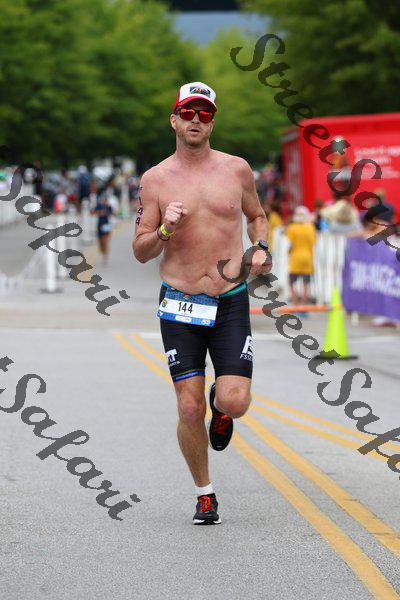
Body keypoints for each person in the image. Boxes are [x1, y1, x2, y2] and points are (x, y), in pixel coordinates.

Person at [133, 81, 271, 525]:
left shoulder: (236, 169)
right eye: (188, 113)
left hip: (229, 300)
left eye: (205, 114)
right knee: (189, 408)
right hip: (180, 302)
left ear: (212, 122)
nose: (196, 120)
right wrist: (166, 229)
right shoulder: (155, 179)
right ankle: (205, 493)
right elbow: (141, 250)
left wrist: (260, 247)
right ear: (174, 119)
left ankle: (222, 407)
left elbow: (257, 216)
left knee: (235, 401)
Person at [285, 206, 317, 307]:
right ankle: (304, 304)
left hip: (295, 257)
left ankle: (295, 304)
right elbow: (313, 242)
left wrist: (288, 251)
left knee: (291, 282)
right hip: (307, 257)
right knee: (305, 283)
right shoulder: (310, 227)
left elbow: (290, 243)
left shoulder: (292, 227)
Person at [93, 193, 114, 265]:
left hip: (106, 225)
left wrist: (106, 212)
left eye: (106, 199)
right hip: (99, 225)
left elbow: (112, 213)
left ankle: (105, 257)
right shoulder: (99, 206)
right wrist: (99, 212)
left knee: (105, 241)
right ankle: (103, 252)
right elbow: (93, 212)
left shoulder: (108, 206)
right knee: (100, 242)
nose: (105, 201)